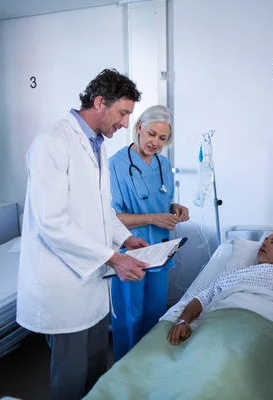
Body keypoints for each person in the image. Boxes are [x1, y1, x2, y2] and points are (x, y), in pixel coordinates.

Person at [17, 69, 152, 400]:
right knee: (72, 373)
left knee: (96, 365)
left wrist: (123, 239)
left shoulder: (96, 144)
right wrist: (113, 258)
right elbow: (51, 221)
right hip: (65, 283)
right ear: (99, 102)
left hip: (92, 282)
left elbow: (102, 209)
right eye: (122, 114)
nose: (124, 124)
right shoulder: (52, 141)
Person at [108, 105, 190, 360]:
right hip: (130, 250)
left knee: (156, 314)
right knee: (129, 317)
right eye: (152, 134)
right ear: (139, 127)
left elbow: (163, 201)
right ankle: (124, 372)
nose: (155, 142)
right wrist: (154, 217)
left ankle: (148, 368)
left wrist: (175, 208)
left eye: (162, 138)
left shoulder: (164, 164)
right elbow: (112, 217)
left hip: (161, 251)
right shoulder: (116, 165)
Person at [168, 232, 273, 346]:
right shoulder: (233, 274)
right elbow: (201, 298)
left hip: (264, 327)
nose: (264, 243)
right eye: (265, 240)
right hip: (223, 319)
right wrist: (183, 320)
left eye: (272, 242)